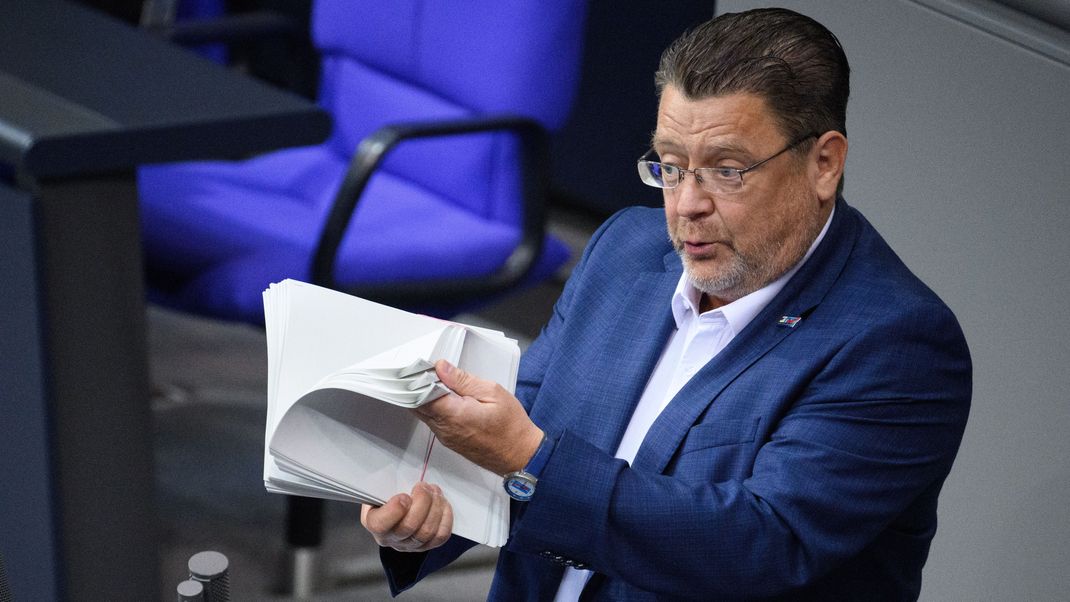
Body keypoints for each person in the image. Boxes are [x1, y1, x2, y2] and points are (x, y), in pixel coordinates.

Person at [360, 7, 972, 600]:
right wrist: (430, 514)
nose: (686, 206)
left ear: (823, 163)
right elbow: (530, 417)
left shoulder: (897, 343)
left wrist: (528, 458)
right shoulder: (625, 247)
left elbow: (759, 543)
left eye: (727, 170)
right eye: (672, 168)